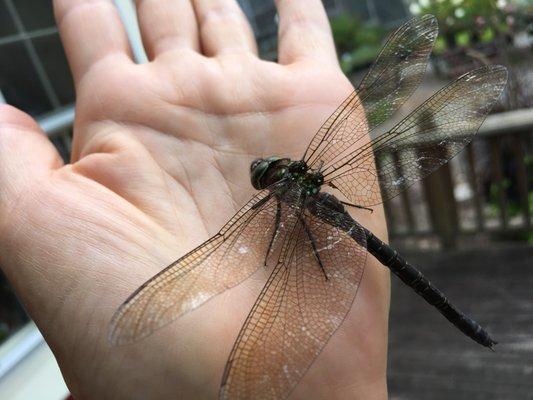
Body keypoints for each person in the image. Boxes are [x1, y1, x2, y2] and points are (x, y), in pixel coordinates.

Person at [0, 0, 389, 398]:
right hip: (335, 216)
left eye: (266, 171)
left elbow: (279, 235)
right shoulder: (302, 176)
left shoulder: (275, 201)